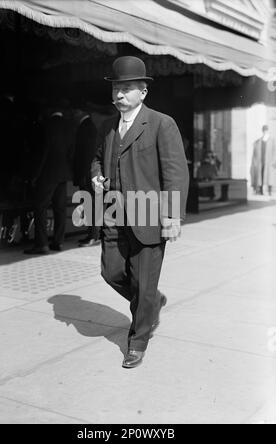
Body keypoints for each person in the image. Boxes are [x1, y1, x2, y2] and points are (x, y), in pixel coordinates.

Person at [91, 56, 189, 369]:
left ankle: (137, 342)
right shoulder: (107, 127)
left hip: (149, 218)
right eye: (116, 87)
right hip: (113, 214)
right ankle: (152, 302)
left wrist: (173, 217)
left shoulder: (162, 123)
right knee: (111, 273)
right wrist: (94, 175)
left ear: (143, 92)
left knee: (143, 284)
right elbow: (96, 158)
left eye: (128, 88)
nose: (119, 94)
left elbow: (175, 173)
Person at [24, 104, 75, 255]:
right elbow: (72, 151)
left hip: (48, 173)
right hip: (63, 173)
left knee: (40, 207)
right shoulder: (69, 126)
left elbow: (43, 152)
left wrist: (34, 175)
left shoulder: (46, 126)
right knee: (60, 208)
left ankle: (42, 244)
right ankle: (58, 242)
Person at [73, 108, 101, 247]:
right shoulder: (90, 126)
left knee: (90, 203)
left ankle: (93, 236)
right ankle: (94, 234)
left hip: (87, 173)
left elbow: (86, 154)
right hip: (88, 172)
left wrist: (84, 175)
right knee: (91, 203)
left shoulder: (86, 127)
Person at [251, 125, 276, 196]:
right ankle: (260, 190)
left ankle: (270, 190)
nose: (265, 131)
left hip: (269, 161)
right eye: (264, 130)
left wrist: (274, 161)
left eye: (266, 130)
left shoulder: (272, 141)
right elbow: (255, 153)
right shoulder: (259, 141)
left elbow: (274, 152)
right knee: (260, 176)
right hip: (261, 161)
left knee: (270, 177)